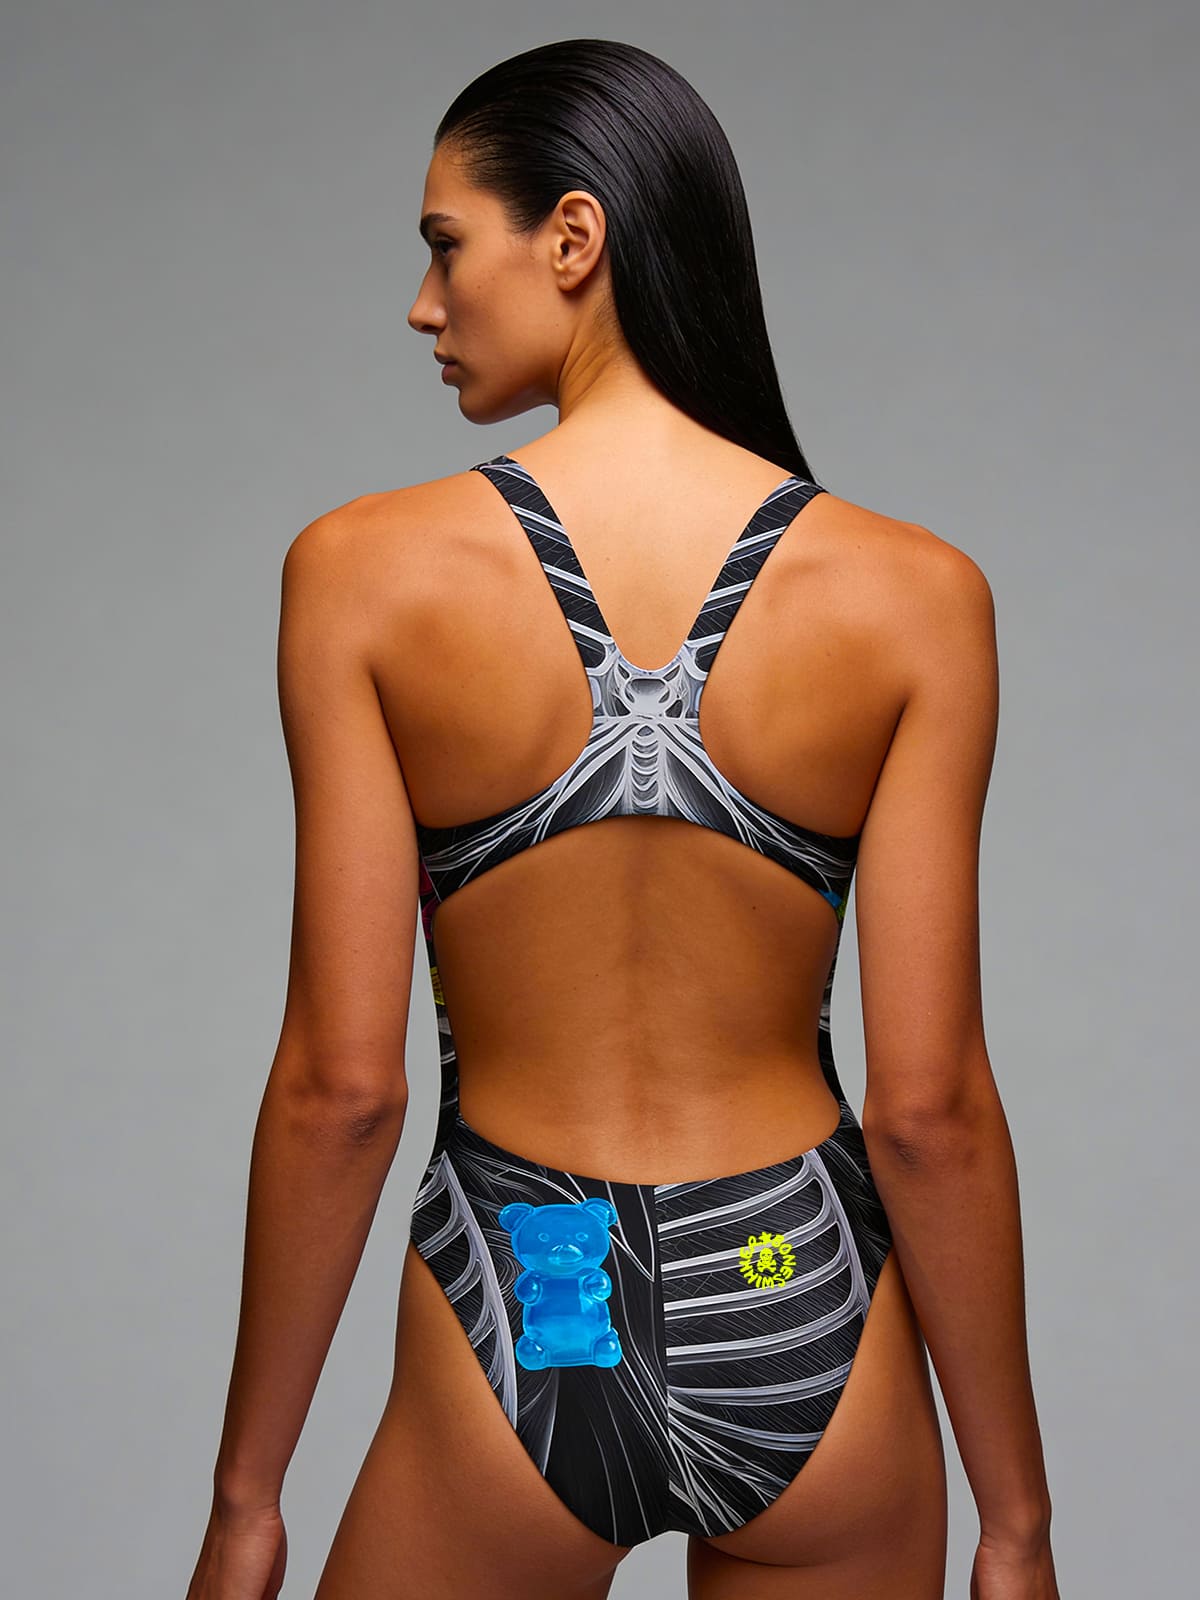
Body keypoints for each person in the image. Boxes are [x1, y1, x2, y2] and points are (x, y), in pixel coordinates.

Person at [185, 37, 1060, 1600]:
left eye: (447, 243)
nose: (425, 302)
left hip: (525, 1306)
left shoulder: (364, 576)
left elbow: (340, 1090)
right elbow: (931, 1111)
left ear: (572, 239)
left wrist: (248, 1497)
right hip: (810, 1313)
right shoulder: (918, 599)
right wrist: (1018, 1523)